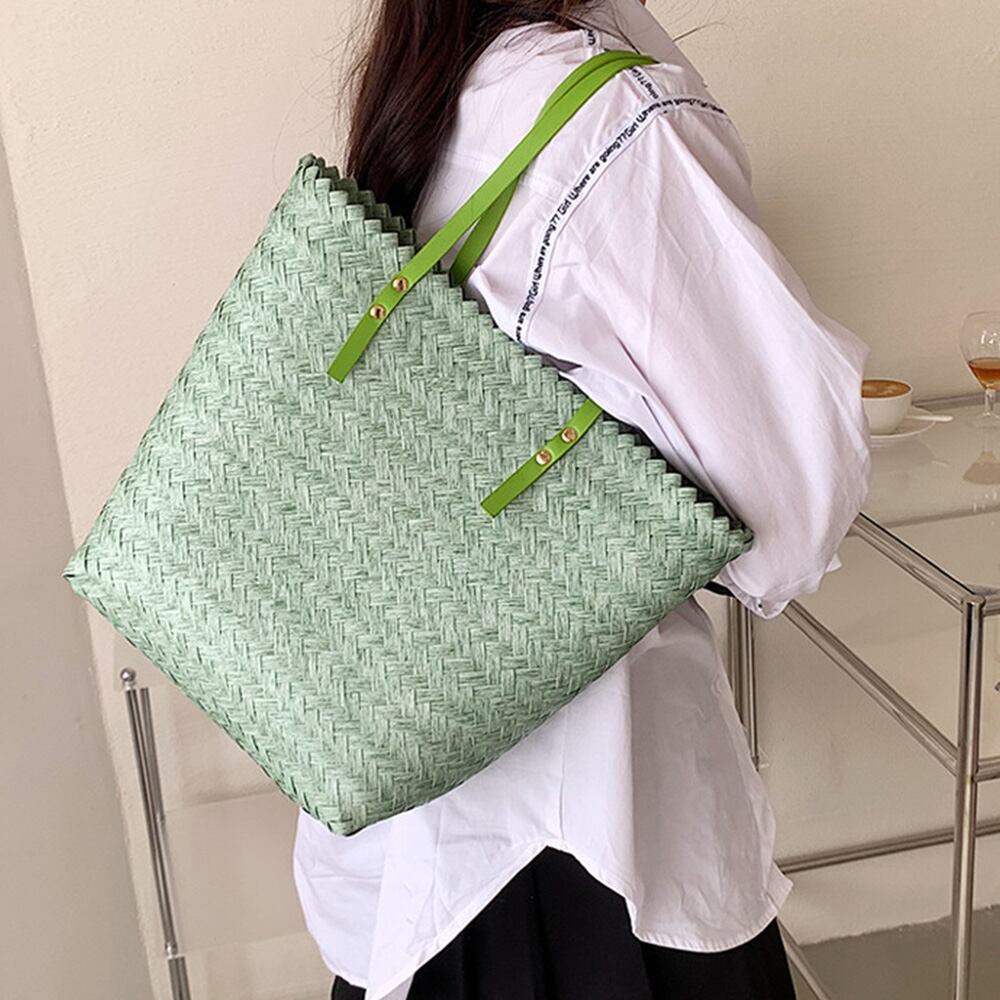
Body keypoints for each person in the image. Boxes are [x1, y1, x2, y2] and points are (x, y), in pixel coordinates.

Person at [292, 1, 873, 997]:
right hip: (586, 835)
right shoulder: (606, 118)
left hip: (409, 814)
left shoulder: (439, 82)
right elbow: (787, 523)